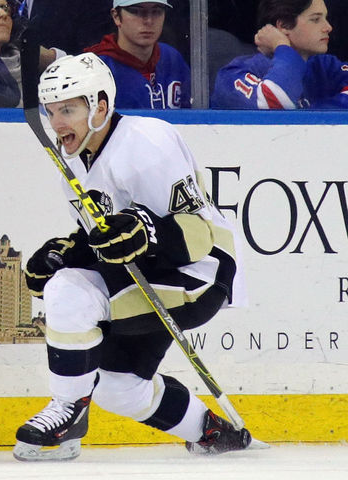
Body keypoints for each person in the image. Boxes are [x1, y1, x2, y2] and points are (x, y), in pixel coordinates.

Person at [13, 52, 256, 461]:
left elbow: (197, 234)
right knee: (116, 386)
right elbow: (106, 239)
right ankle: (213, 433)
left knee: (68, 292)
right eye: (51, 112)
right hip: (146, 275)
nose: (57, 124)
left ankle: (69, 411)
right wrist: (65, 254)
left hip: (199, 272)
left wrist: (147, 232)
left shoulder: (146, 141)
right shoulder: (73, 162)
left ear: (100, 107)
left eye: (68, 110)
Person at [211, 0, 348, 109]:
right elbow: (276, 101)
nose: (328, 27)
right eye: (316, 19)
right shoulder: (234, 73)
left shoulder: (325, 67)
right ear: (284, 26)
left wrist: (314, 111)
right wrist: (282, 46)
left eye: (325, 18)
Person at [85, 0, 190, 109]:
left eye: (156, 12)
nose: (149, 21)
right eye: (136, 11)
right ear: (116, 16)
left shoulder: (172, 58)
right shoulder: (95, 68)